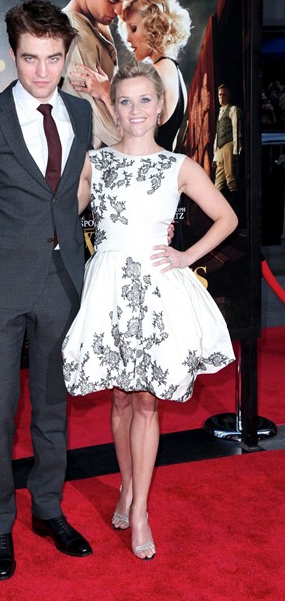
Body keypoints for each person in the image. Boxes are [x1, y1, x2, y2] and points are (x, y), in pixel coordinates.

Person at [62, 63, 238, 560]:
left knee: (145, 401)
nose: (135, 110)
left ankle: (140, 508)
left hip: (157, 290)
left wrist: (185, 256)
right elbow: (63, 213)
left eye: (145, 100)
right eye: (125, 101)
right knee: (120, 398)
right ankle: (126, 485)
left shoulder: (179, 166)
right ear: (113, 108)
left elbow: (227, 217)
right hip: (108, 289)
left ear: (160, 107)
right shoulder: (94, 162)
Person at [0, 0, 93, 582]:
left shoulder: (80, 113)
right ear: (14, 54)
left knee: (53, 408)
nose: (42, 71)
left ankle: (48, 508)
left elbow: (73, 193)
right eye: (31, 58)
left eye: (53, 58)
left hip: (61, 284)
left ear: (65, 55)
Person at [69, 0, 192, 152]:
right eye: (126, 30)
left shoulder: (153, 75)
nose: (127, 38)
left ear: (155, 25)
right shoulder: (176, 75)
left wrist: (105, 92)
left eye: (134, 28)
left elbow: (133, 137)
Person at [62, 0, 147, 148]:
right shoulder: (74, 35)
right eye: (112, 1)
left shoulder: (98, 20)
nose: (119, 12)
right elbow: (110, 130)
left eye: (124, 2)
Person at [212, 84, 242, 207]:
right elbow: (218, 133)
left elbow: (236, 130)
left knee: (231, 178)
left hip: (229, 144)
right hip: (220, 147)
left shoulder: (233, 109)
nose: (221, 97)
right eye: (220, 95)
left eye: (224, 94)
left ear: (229, 96)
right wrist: (215, 156)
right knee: (218, 184)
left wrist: (236, 150)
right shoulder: (220, 112)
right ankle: (221, 209)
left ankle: (236, 209)